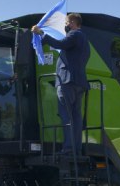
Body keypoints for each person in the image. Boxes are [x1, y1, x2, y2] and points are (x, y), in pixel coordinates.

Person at [32, 13, 90, 154]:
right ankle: (76, 148)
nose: (65, 25)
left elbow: (60, 44)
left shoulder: (74, 34)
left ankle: (69, 148)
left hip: (67, 81)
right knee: (76, 117)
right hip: (79, 83)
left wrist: (41, 33)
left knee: (66, 115)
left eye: (66, 22)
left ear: (72, 22)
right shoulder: (85, 40)